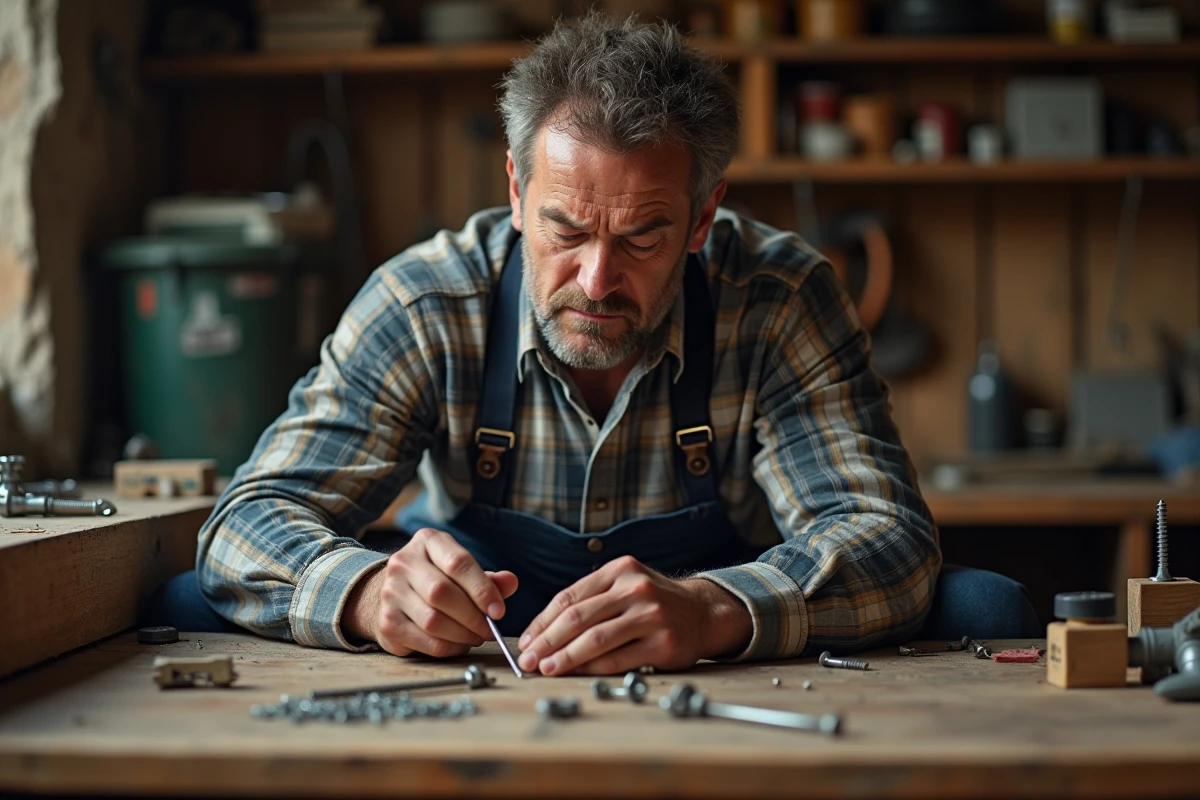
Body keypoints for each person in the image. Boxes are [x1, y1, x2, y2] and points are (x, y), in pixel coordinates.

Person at [163, 13, 1039, 675]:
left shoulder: (776, 298)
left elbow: (888, 537)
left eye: (642, 240)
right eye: (565, 230)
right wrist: (365, 594)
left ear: (704, 215)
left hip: (685, 622)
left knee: (988, 605)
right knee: (185, 600)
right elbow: (244, 524)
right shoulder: (428, 301)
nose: (594, 281)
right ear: (515, 189)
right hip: (484, 622)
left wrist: (716, 608)